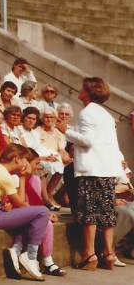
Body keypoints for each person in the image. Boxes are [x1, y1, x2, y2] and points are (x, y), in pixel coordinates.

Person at [56, 77, 124, 270]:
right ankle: (108, 253)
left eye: (82, 88)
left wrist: (65, 130)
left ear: (88, 91)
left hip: (92, 170)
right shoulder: (106, 115)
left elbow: (87, 140)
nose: (79, 89)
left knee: (90, 213)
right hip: (107, 169)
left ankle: (89, 254)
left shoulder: (87, 113)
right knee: (107, 213)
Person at [0, 143, 50, 281]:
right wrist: (42, 215)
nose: (25, 162)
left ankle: (15, 251)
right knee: (43, 212)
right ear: (16, 158)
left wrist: (4, 206)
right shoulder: (4, 175)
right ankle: (31, 257)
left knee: (30, 219)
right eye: (24, 159)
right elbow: (20, 203)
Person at [7, 148, 66, 277]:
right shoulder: (14, 178)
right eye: (36, 163)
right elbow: (19, 203)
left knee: (46, 221)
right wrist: (42, 213)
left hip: (30, 212)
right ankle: (45, 261)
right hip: (15, 212)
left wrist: (44, 213)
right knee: (47, 223)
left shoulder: (35, 180)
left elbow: (36, 202)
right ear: (26, 163)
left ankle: (46, 260)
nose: (38, 167)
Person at [20, 107, 63, 210]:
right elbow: (25, 149)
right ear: (24, 118)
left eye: (34, 119)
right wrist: (41, 158)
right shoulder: (20, 130)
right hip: (25, 157)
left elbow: (39, 147)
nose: (31, 121)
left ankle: (47, 196)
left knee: (59, 166)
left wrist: (52, 155)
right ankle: (45, 199)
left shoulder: (34, 132)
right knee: (40, 169)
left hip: (35, 157)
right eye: (29, 118)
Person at [36, 108, 72, 208]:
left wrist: (65, 156)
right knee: (54, 165)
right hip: (42, 156)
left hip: (55, 157)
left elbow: (61, 149)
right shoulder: (37, 131)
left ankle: (48, 194)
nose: (49, 119)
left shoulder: (58, 132)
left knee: (67, 165)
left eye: (51, 117)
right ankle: (45, 196)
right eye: (46, 117)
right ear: (42, 118)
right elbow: (38, 147)